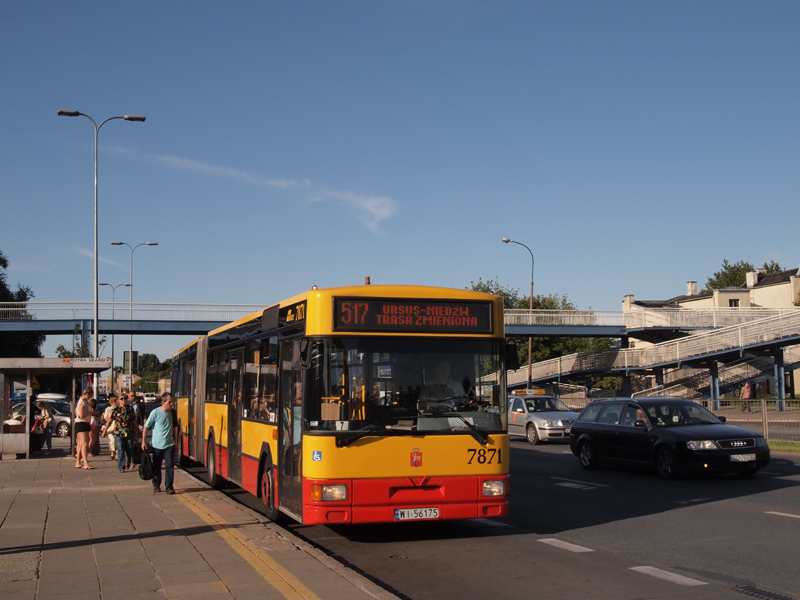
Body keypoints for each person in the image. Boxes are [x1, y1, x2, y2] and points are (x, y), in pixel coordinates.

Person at [142, 393, 178, 494]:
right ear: (163, 402)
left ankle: (169, 487)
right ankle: (156, 484)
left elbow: (175, 427)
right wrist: (143, 441)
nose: (171, 404)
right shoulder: (155, 412)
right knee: (157, 466)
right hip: (157, 445)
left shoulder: (173, 413)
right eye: (169, 402)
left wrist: (176, 441)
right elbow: (146, 426)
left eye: (172, 401)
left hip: (169, 444)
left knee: (169, 465)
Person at [103, 393, 137, 472]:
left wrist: (138, 430)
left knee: (129, 448)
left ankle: (128, 462)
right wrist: (105, 431)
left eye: (125, 398)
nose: (124, 400)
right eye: (121, 399)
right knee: (120, 449)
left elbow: (134, 420)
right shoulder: (115, 410)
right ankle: (121, 467)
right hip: (119, 432)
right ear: (118, 401)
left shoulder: (130, 409)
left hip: (129, 431)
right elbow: (110, 421)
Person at [74, 387, 96, 469]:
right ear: (87, 394)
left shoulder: (85, 402)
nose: (90, 398)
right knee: (84, 443)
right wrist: (91, 413)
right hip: (81, 423)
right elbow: (81, 415)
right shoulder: (82, 402)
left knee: (80, 444)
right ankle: (85, 463)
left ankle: (78, 462)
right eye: (90, 396)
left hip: (85, 423)